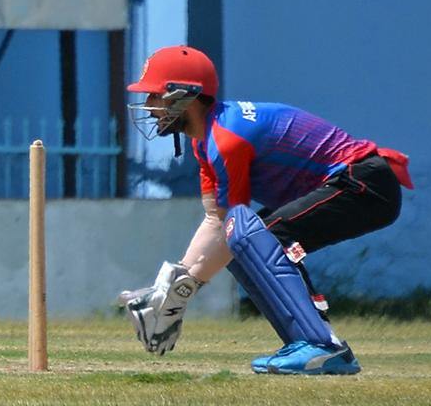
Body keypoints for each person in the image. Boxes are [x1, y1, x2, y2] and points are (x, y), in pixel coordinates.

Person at [119, 45, 411, 375]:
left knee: (259, 239)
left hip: (364, 183)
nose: (149, 106)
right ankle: (307, 346)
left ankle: (322, 346)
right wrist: (177, 290)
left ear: (184, 95)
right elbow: (217, 221)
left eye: (155, 96)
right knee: (244, 245)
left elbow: (236, 221)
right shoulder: (206, 140)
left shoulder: (227, 139)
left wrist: (182, 288)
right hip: (355, 182)